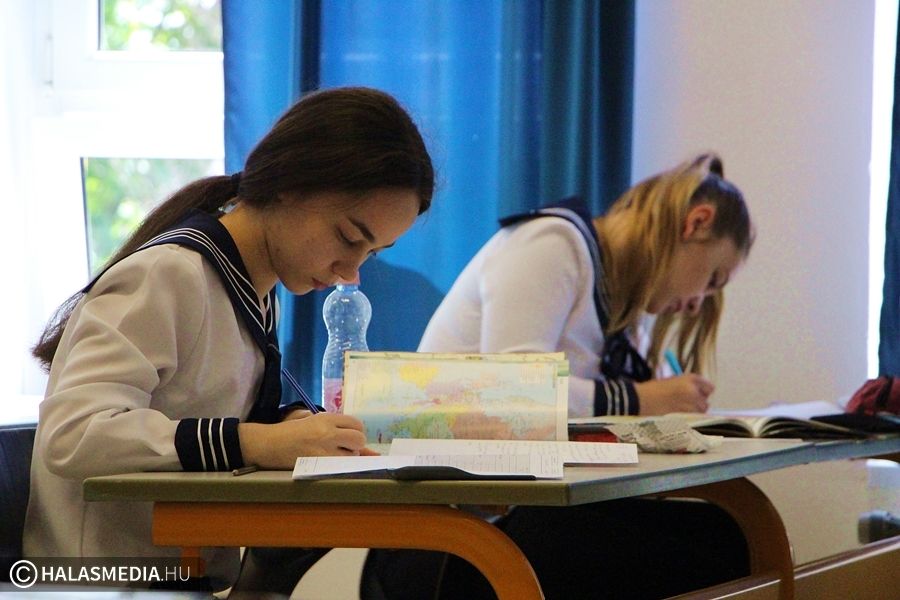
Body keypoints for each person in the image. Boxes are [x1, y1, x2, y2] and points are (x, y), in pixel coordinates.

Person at [25, 86, 434, 593]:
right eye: (349, 237)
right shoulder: (170, 275)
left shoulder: (255, 290)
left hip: (183, 577)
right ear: (289, 185)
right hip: (99, 582)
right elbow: (72, 434)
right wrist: (258, 441)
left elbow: (198, 405)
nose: (351, 272)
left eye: (371, 253)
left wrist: (287, 426)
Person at [362, 153, 755, 600]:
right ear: (696, 223)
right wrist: (640, 399)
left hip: (513, 521)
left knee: (722, 534)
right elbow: (512, 399)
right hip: (445, 540)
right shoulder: (552, 243)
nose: (698, 303)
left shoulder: (624, 306)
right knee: (700, 552)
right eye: (712, 278)